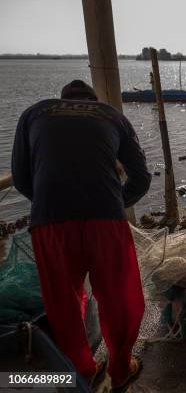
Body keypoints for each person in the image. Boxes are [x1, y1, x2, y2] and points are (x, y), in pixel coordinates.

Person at [11, 80, 151, 391]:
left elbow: (21, 178)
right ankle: (121, 368)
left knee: (63, 303)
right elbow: (141, 177)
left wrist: (53, 204)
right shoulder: (112, 115)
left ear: (63, 99)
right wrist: (116, 202)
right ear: (93, 100)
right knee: (120, 298)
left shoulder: (34, 113)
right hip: (105, 220)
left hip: (51, 221)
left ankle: (81, 372)